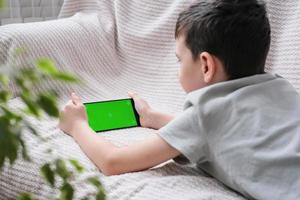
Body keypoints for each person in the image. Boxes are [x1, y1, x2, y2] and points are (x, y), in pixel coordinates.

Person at [58, 0, 300, 199]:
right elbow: (223, 131)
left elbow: (114, 162)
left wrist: (77, 125)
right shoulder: (281, 87)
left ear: (206, 65)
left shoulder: (206, 112)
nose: (178, 68)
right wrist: (152, 118)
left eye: (179, 59)